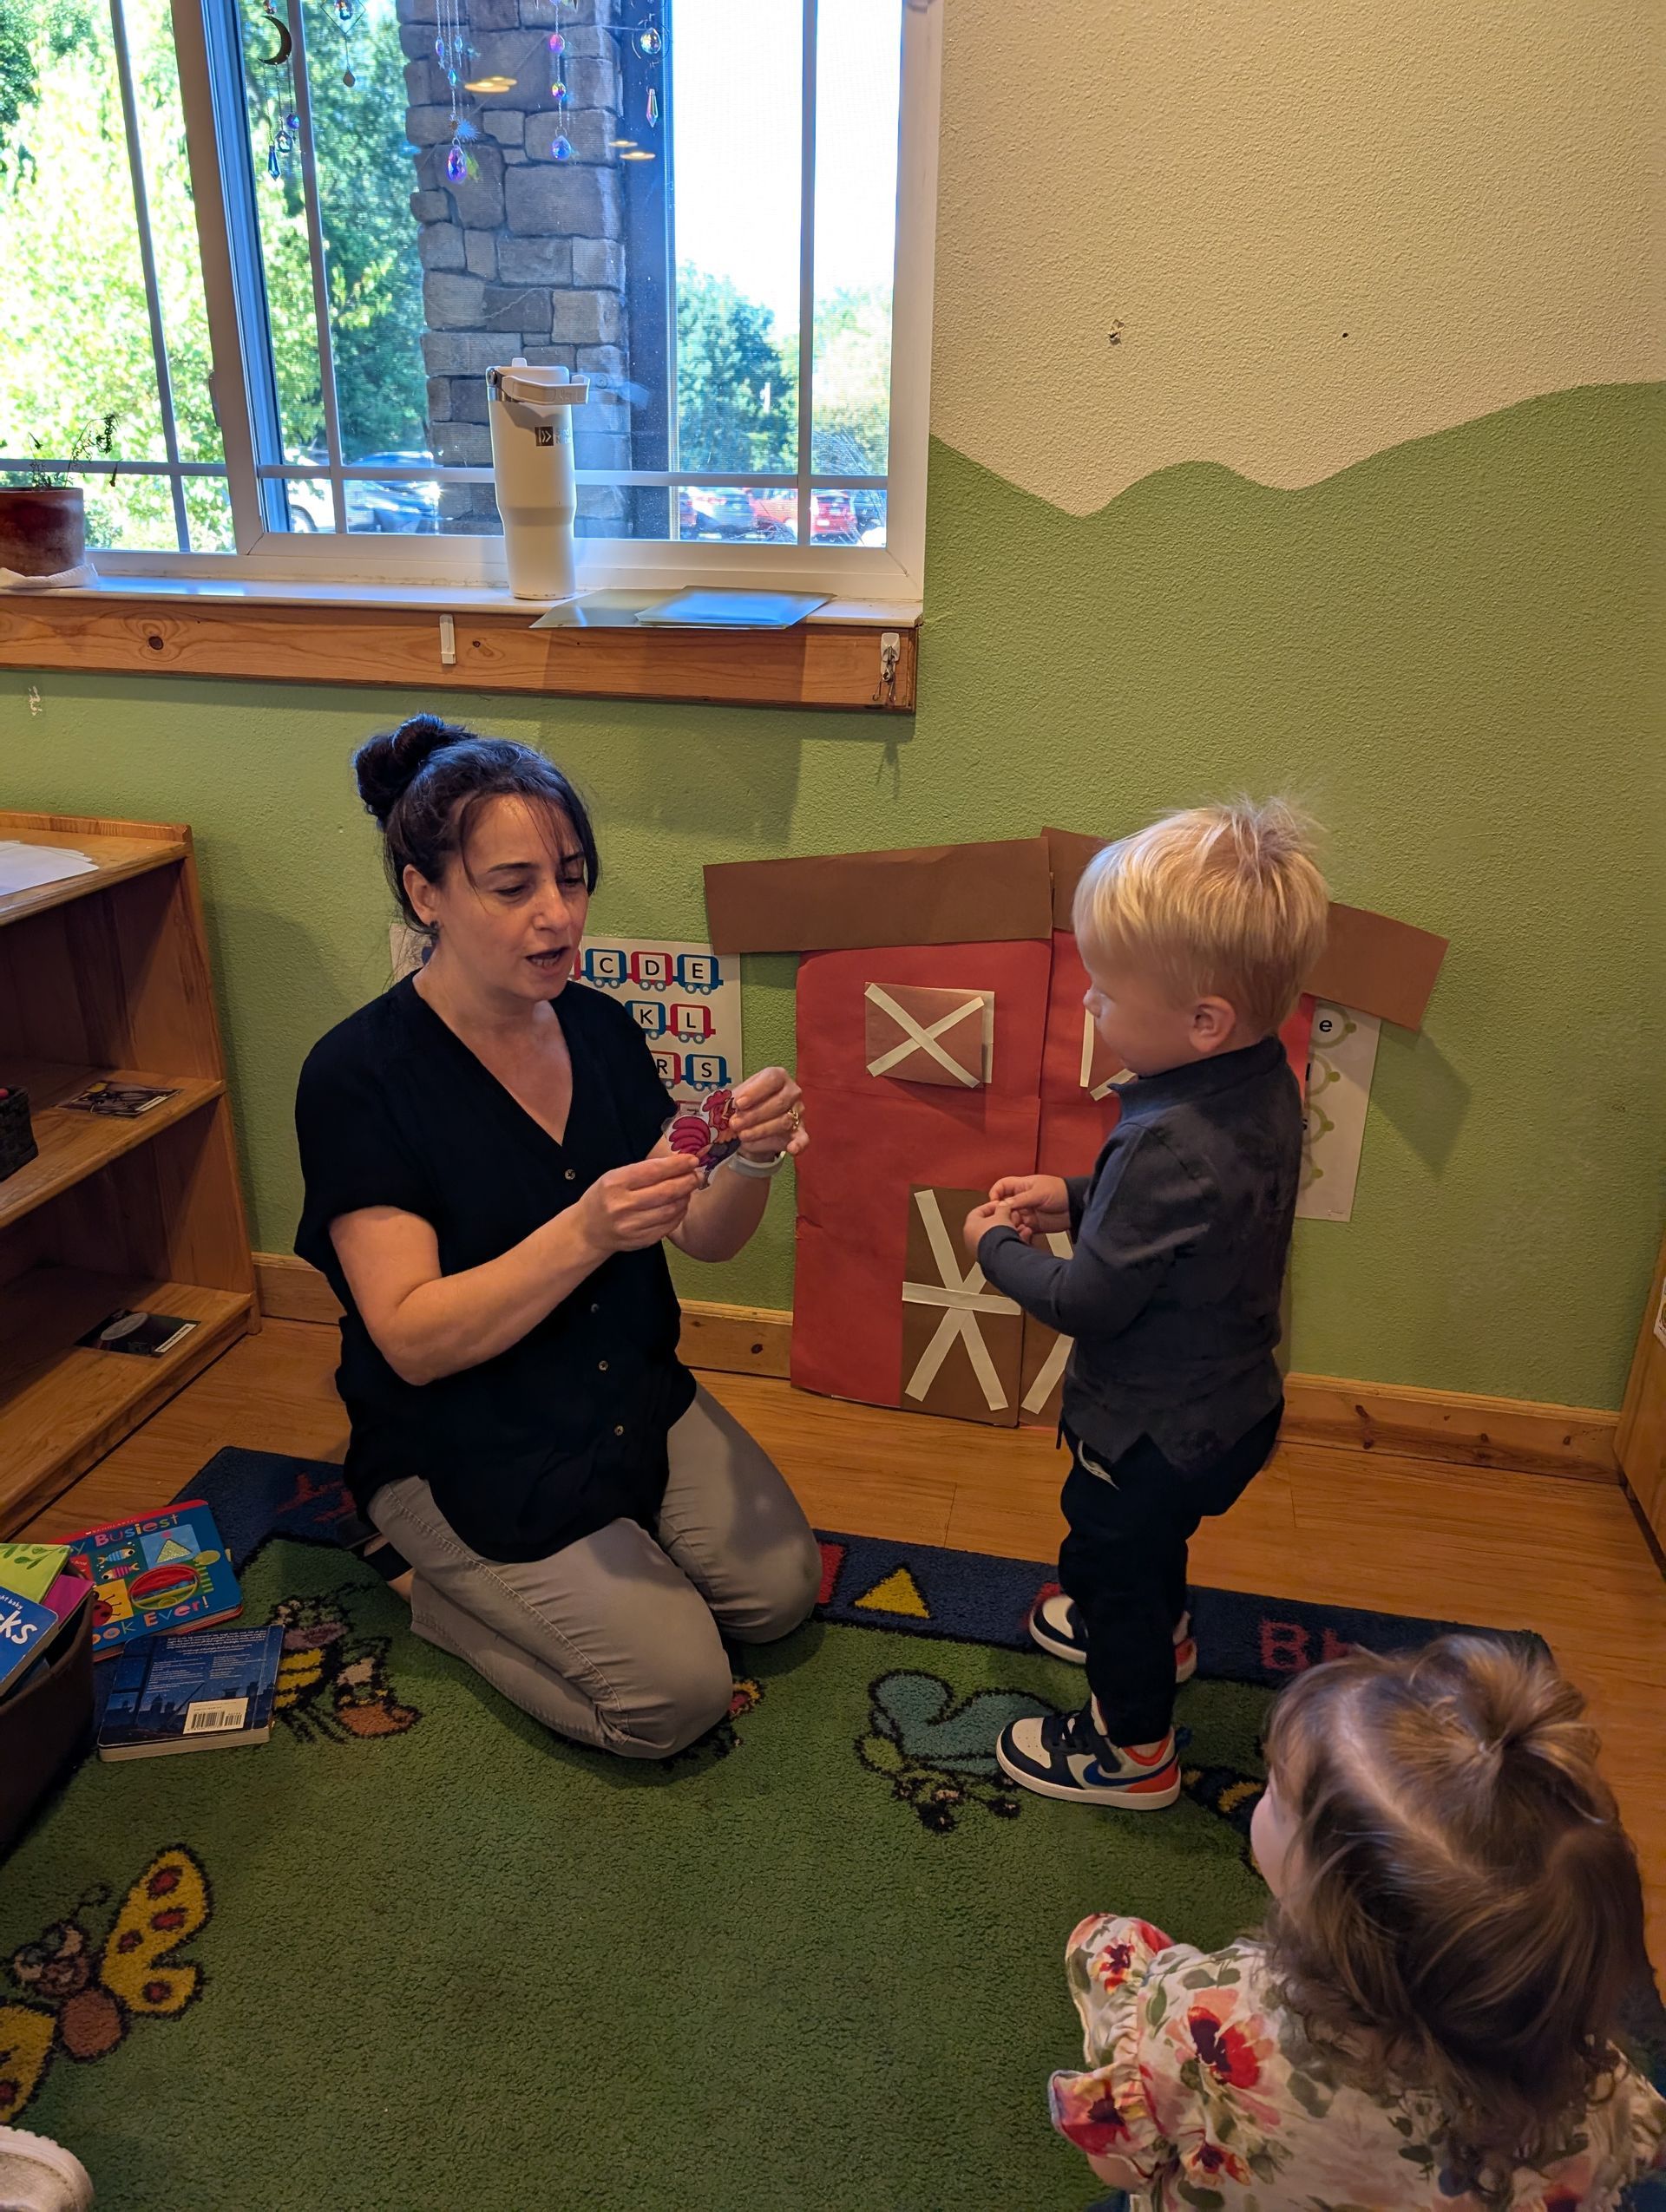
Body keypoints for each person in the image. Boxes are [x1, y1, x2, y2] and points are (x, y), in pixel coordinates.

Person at [294, 715, 821, 1759]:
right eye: (513, 886)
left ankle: (593, 1569)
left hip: (621, 1386)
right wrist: (583, 1231)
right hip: (463, 1435)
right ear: (425, 892)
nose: (558, 916)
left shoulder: (600, 1026)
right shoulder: (358, 1079)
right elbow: (410, 1338)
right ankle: (423, 1578)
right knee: (672, 1702)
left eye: (573, 879)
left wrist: (754, 1157)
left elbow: (707, 1237)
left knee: (781, 1598)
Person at [962, 799, 1329, 1808]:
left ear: (1203, 1019)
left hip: (1146, 1433)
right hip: (1231, 1407)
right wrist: (1075, 1196)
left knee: (1110, 1554)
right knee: (1145, 1549)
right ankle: (1161, 1634)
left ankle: (1132, 1753)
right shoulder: (1261, 1081)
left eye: (1107, 991)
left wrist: (992, 1245)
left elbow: (1087, 1299)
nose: (1088, 1004)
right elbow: (1188, 1220)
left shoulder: (1166, 1139)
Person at [1049, 1635, 1666, 2207]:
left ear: (1341, 1911)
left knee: (1108, 1945)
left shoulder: (1208, 2024)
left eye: (1276, 1792)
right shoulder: (1590, 2094)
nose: (1264, 1795)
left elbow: (1120, 2166)